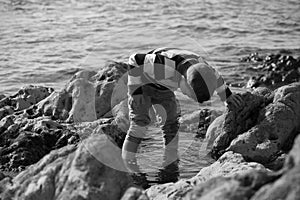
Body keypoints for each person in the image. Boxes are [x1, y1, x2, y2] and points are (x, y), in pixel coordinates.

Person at [122, 47, 243, 177]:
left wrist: (227, 96)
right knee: (140, 124)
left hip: (164, 88)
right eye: (190, 95)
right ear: (185, 80)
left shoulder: (204, 68)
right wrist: (135, 91)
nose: (190, 98)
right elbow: (135, 59)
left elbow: (217, 78)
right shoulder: (164, 64)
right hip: (142, 84)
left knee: (171, 124)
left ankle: (170, 164)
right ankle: (129, 164)